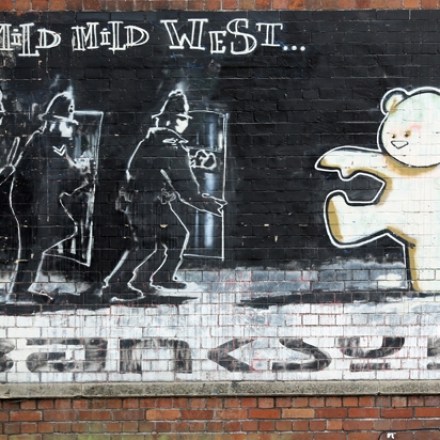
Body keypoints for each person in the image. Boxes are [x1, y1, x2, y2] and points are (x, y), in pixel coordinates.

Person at [103, 90, 225, 303]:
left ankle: (160, 276)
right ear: (176, 121)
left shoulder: (150, 140)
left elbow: (137, 169)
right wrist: (209, 204)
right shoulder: (172, 145)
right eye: (183, 119)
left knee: (177, 235)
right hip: (147, 203)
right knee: (146, 245)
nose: (185, 123)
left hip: (147, 201)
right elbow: (186, 186)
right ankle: (116, 284)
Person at [9, 91, 90, 302]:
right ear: (53, 122)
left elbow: (69, 183)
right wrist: (73, 171)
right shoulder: (40, 141)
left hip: (43, 201)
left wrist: (79, 173)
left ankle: (20, 290)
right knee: (33, 244)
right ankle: (20, 291)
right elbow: (35, 175)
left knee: (50, 237)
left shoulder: (57, 146)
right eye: (64, 123)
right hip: (29, 201)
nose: (68, 128)